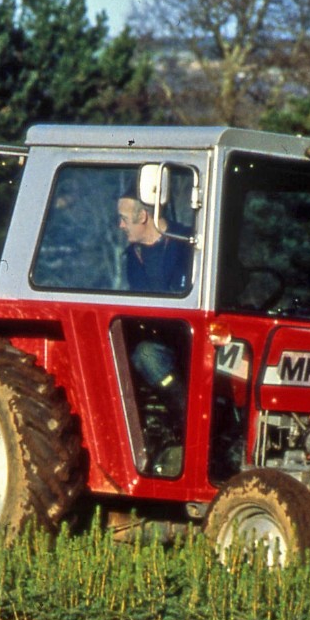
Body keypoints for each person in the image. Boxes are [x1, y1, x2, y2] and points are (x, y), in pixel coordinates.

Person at [117, 192, 194, 465]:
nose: (121, 226)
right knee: (140, 354)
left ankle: (191, 424)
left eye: (124, 219)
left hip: (189, 339)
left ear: (143, 216)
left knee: (146, 355)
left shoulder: (189, 243)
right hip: (158, 338)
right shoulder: (132, 257)